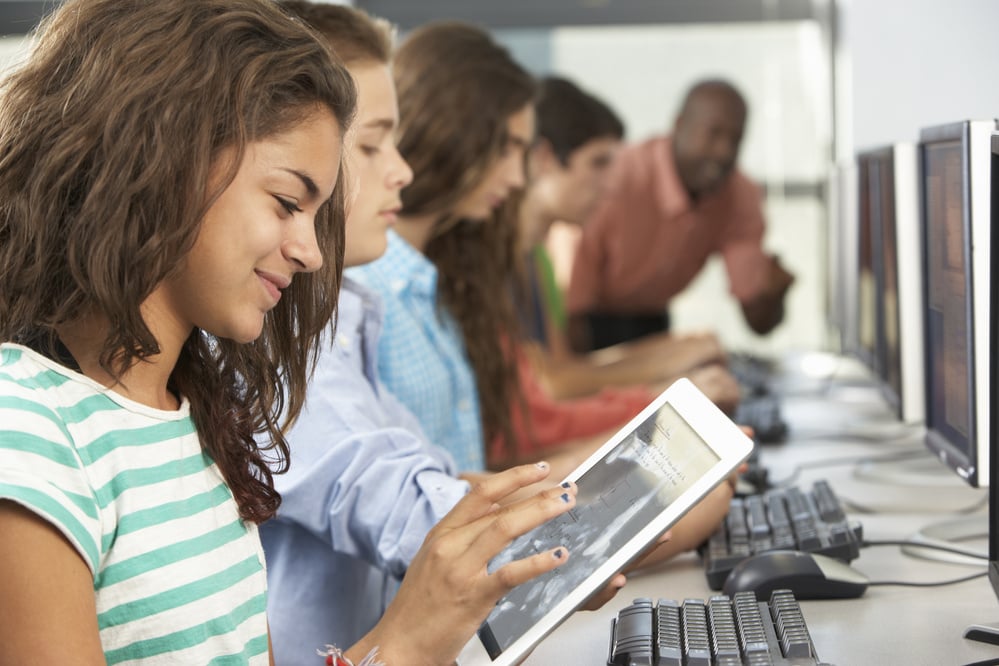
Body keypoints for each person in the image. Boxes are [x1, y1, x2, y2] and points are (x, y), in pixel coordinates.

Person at [0, 2, 582, 664]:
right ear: (160, 163)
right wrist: (401, 645)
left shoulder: (200, 417)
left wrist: (416, 632)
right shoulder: (29, 431)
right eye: (286, 203)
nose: (308, 251)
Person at [349, 20, 733, 572]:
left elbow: (469, 469)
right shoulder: (364, 294)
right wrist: (637, 444)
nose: (518, 174)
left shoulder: (439, 283)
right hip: (453, 565)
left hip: (470, 548)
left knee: (698, 496)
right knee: (700, 506)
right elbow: (510, 435)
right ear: (452, 134)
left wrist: (636, 455)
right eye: (507, 148)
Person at [518, 76, 739, 407]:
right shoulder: (503, 260)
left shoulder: (536, 256)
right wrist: (662, 378)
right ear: (545, 159)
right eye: (597, 164)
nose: (609, 186)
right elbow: (551, 384)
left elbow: (563, 368)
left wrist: (668, 352)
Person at [566, 78, 796, 353]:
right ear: (678, 126)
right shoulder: (617, 177)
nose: (724, 152)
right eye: (713, 134)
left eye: (736, 139)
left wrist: (774, 293)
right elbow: (571, 311)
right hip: (582, 322)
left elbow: (758, 322)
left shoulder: (739, 195)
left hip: (654, 322)